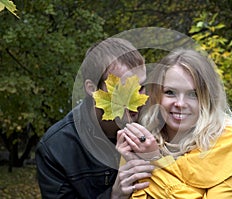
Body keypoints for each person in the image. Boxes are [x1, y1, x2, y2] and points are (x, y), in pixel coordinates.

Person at [117, 49, 232, 198]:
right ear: (157, 95)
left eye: (193, 94)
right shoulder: (140, 139)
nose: (180, 103)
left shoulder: (229, 145)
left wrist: (154, 161)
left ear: (208, 99)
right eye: (170, 92)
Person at [35, 38, 155, 199]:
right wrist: (114, 195)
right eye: (123, 89)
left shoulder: (157, 126)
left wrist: (156, 160)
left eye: (141, 87)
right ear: (92, 89)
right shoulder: (56, 147)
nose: (138, 100)